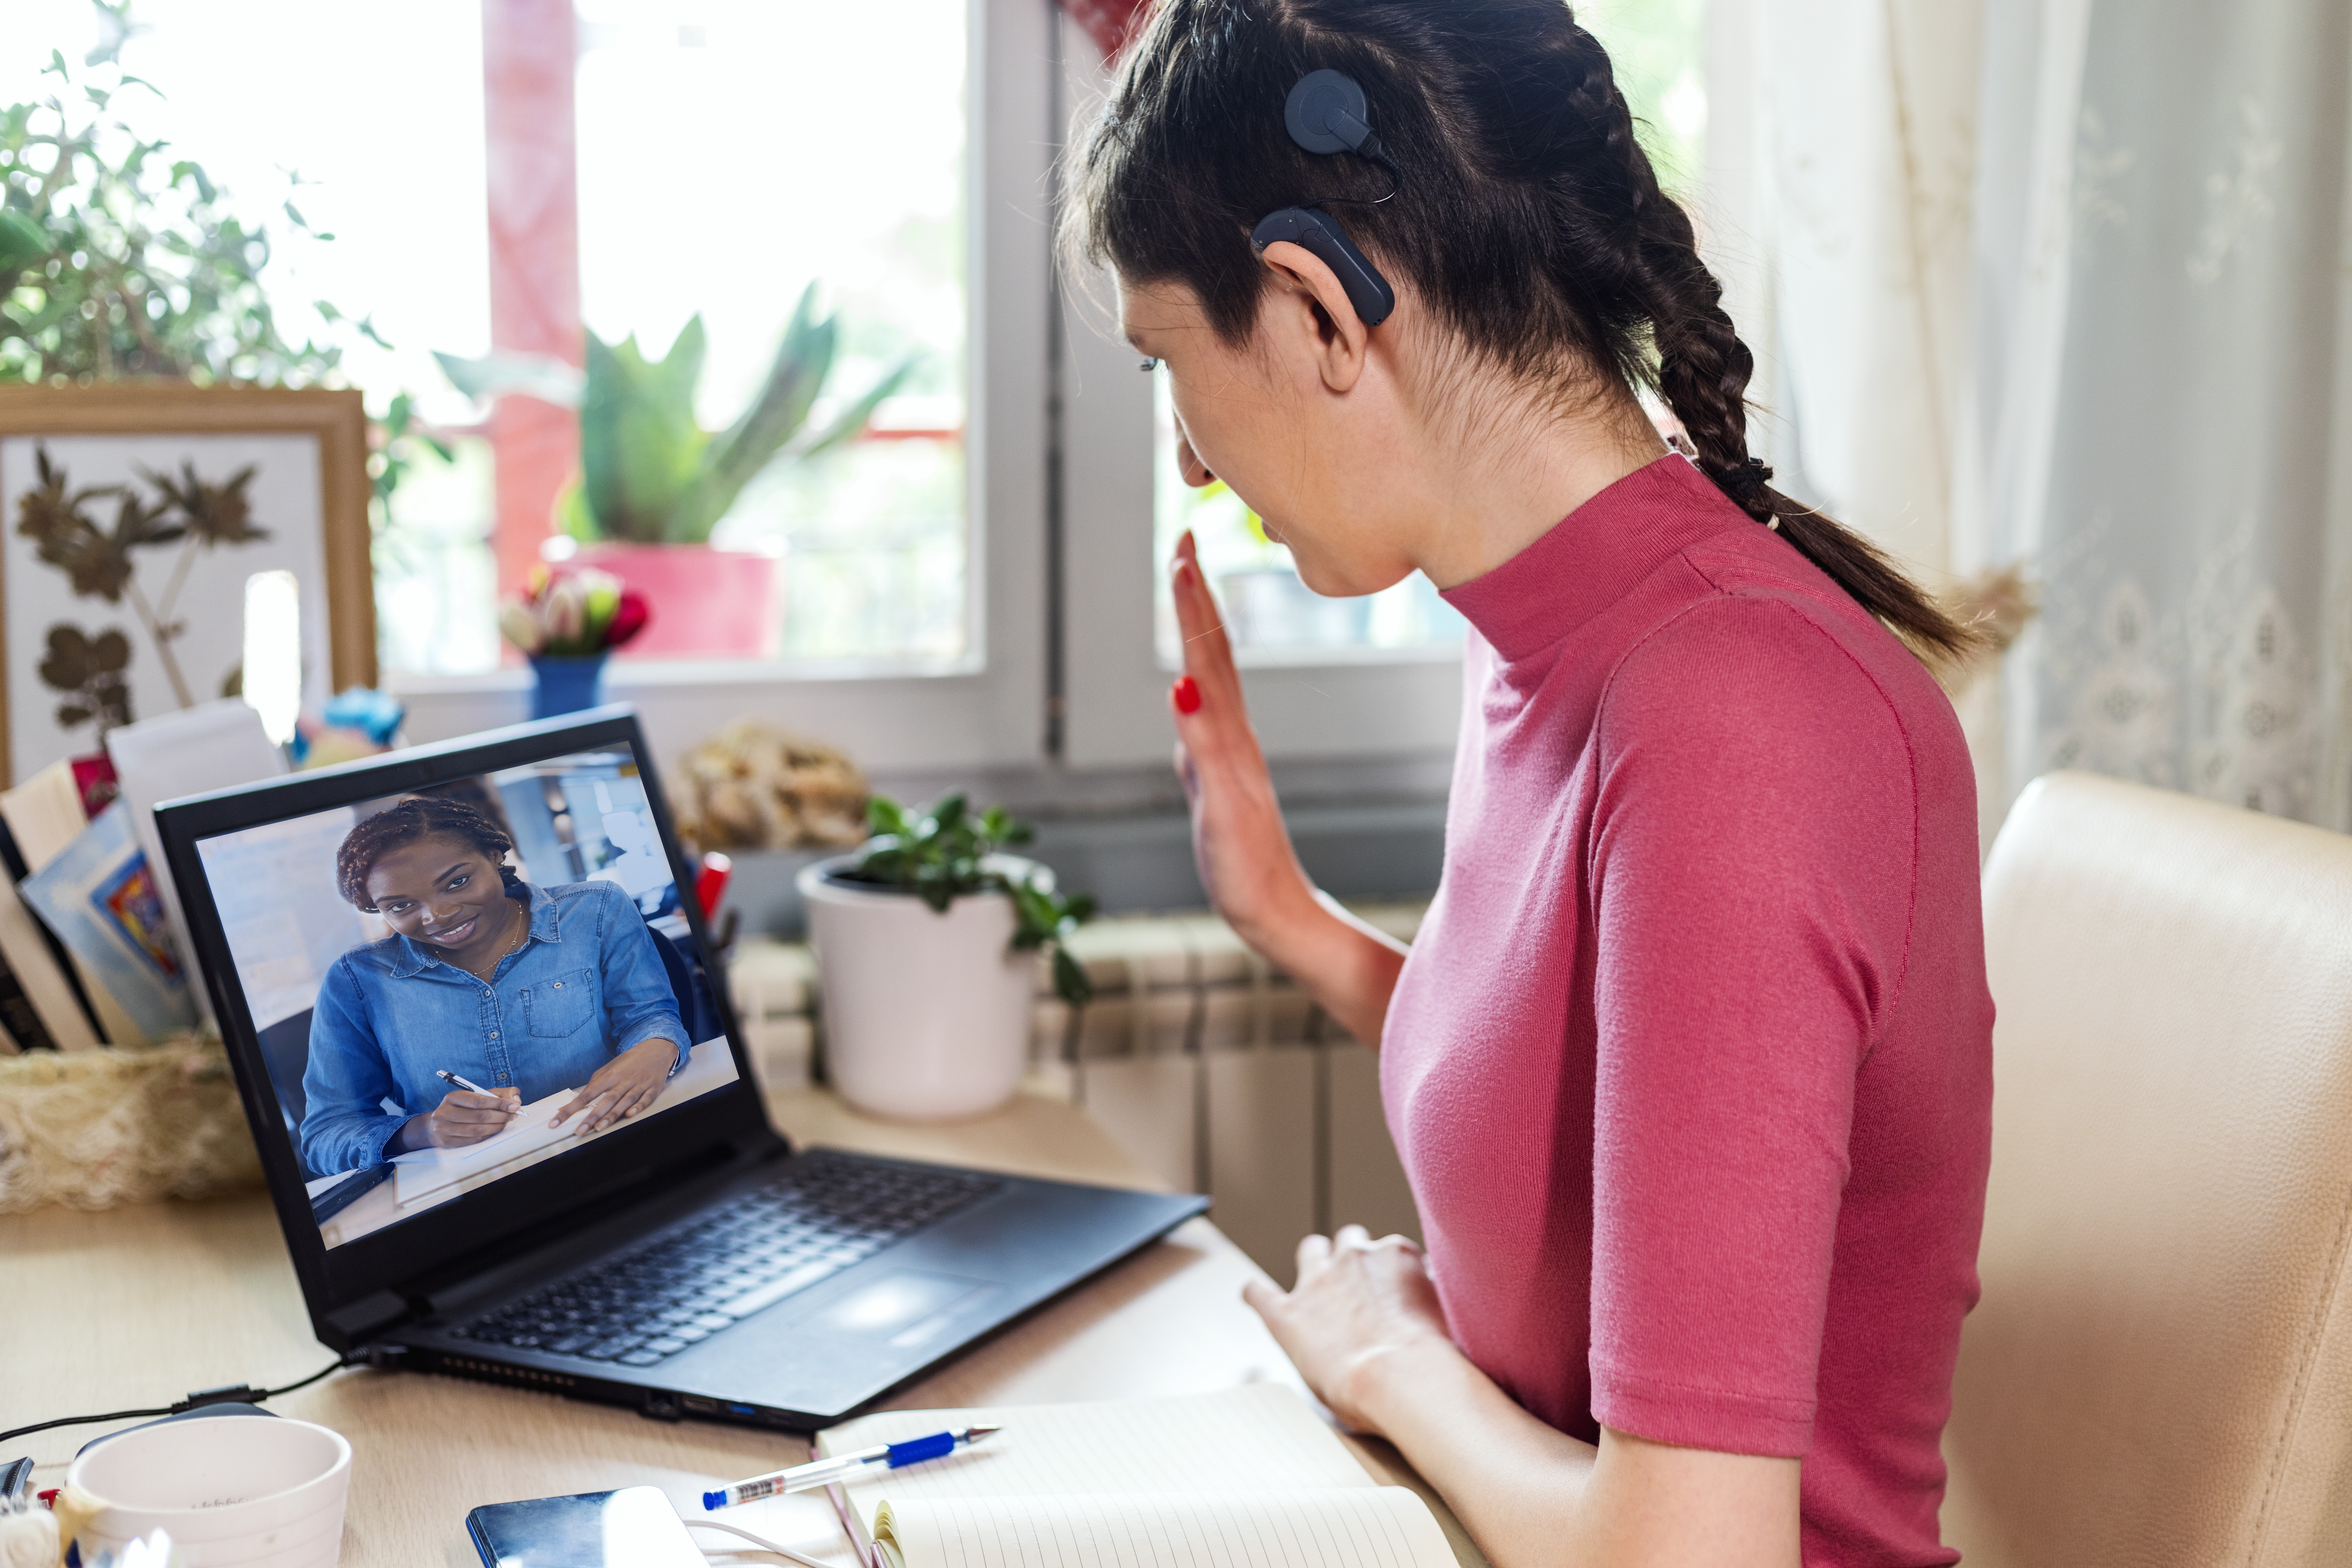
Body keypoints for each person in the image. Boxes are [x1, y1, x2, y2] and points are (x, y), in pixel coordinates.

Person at [1070, 4, 1994, 1566]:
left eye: (1169, 363)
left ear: (1313, 312)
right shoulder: (1548, 639)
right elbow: (1608, 1105)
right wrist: (1285, 916)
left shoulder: (1731, 715)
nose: (1192, 463)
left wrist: (1386, 1355)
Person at [299, 796, 690, 1176]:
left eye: (458, 882)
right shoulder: (356, 981)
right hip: (476, 1195)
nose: (438, 915)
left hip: (621, 1152)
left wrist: (657, 1046)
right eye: (400, 906)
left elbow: (651, 1017)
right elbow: (326, 1136)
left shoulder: (596, 910)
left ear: (495, 856)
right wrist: (425, 1130)